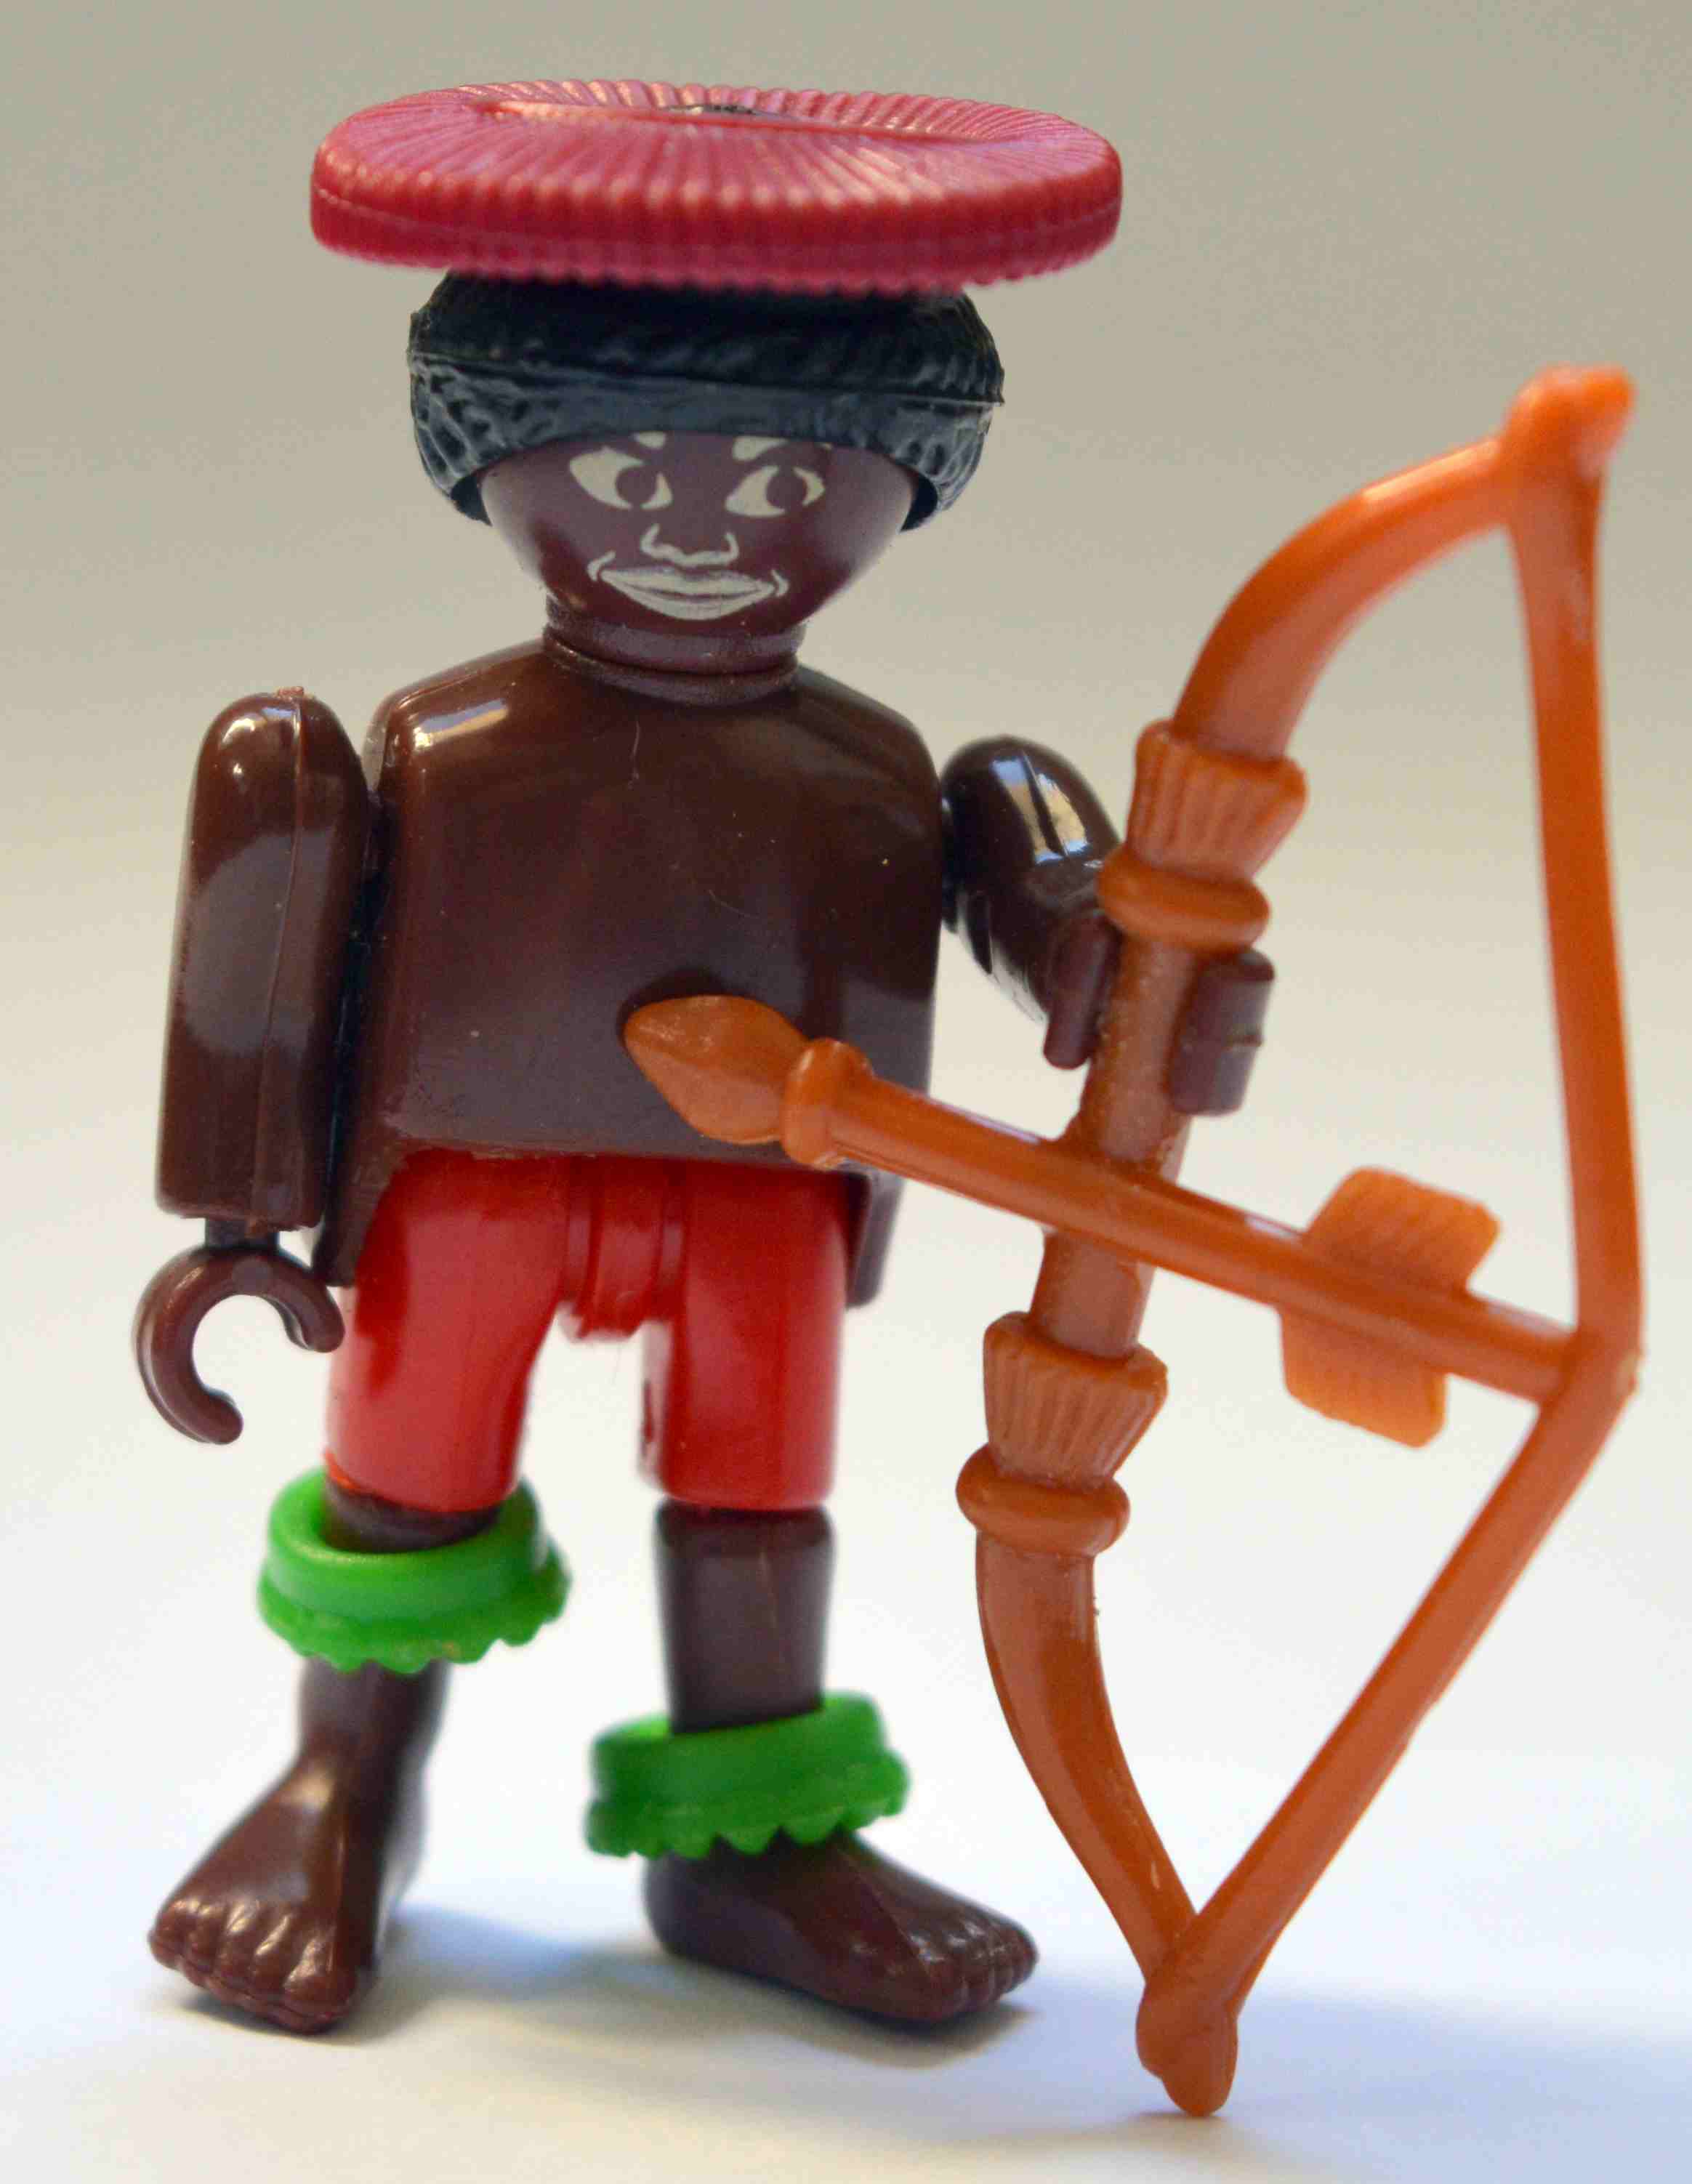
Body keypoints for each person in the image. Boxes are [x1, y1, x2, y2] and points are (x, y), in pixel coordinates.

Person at [137, 81, 1127, 2036]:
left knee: (760, 1498)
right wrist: (239, 1222)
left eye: (776, 486)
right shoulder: (433, 756)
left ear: (900, 484)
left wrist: (1115, 949)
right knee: (403, 1485)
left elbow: (1059, 913)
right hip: (470, 1188)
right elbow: (277, 970)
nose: (689, 531)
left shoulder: (890, 778)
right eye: (615, 470)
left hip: (761, 1194)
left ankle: (750, 1840)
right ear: (490, 465)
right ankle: (341, 1787)